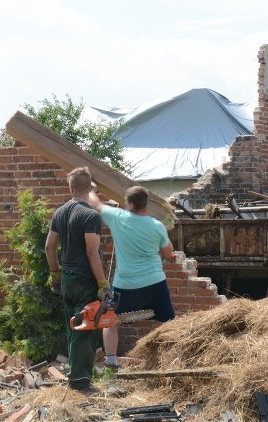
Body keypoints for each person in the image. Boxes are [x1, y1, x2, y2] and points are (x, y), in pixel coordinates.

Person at [88, 185, 175, 368]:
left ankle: (111, 363)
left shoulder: (118, 218)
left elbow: (95, 203)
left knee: (110, 320)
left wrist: (91, 187)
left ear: (128, 203)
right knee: (167, 322)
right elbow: (169, 254)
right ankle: (166, 362)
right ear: (146, 204)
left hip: (125, 286)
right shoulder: (157, 226)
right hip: (154, 283)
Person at [45, 166, 110, 391]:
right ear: (90, 187)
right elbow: (93, 253)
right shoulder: (91, 216)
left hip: (67, 279)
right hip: (85, 280)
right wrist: (102, 284)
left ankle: (75, 374)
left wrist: (55, 273)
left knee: (72, 328)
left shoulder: (60, 212)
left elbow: (49, 246)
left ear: (71, 187)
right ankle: (81, 381)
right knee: (86, 329)